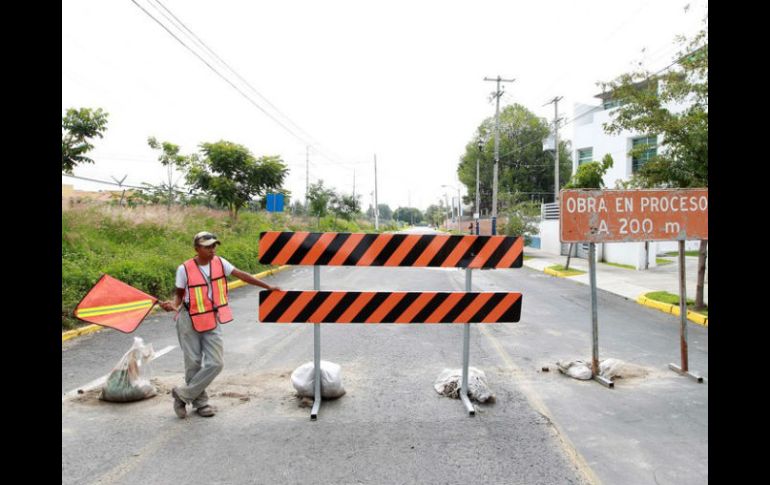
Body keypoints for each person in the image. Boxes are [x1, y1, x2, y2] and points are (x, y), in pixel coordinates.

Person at [159, 231, 280, 418]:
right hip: (189, 318)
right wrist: (172, 305)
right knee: (193, 363)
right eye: (207, 246)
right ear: (197, 248)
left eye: (214, 245)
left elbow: (243, 275)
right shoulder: (184, 269)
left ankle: (182, 395)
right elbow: (179, 295)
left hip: (211, 319)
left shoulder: (220, 263)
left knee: (216, 363)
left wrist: (267, 287)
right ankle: (201, 404)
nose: (212, 249)